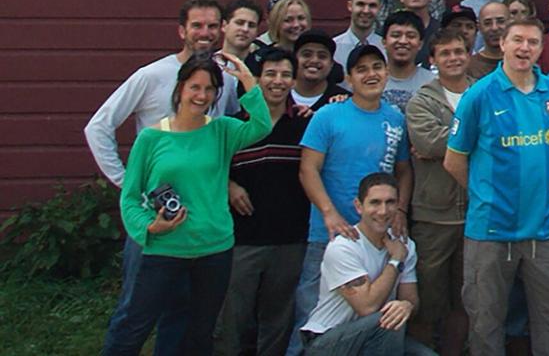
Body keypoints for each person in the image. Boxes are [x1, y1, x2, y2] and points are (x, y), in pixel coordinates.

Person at [91, 0, 236, 352]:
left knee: (184, 317)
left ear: (222, 31)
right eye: (197, 25)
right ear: (182, 31)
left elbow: (225, 139)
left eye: (213, 26)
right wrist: (129, 183)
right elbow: (98, 127)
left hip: (202, 229)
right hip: (156, 222)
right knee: (135, 313)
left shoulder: (226, 82)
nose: (205, 33)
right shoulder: (151, 76)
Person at [104, 51, 271, 356]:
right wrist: (149, 227)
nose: (202, 95)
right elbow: (129, 198)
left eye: (209, 89)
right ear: (180, 88)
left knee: (198, 333)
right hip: (162, 250)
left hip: (213, 250)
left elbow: (261, 126)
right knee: (133, 326)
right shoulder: (151, 138)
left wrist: (248, 80)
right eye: (195, 87)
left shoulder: (222, 131)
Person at [445, 16, 549, 354]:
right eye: (517, 40)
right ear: (502, 44)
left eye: (533, 42)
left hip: (546, 228)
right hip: (491, 230)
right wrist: (485, 197)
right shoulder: (479, 95)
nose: (524, 48)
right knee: (485, 325)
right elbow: (453, 160)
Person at [294, 43, 413, 354]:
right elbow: (308, 169)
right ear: (349, 78)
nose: (370, 74)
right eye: (361, 70)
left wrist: (400, 208)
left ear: (387, 73)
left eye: (376, 67)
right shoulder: (329, 115)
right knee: (312, 316)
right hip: (331, 234)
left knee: (373, 322)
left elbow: (403, 170)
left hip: (377, 236)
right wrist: (329, 213)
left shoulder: (395, 119)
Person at [218, 46, 312, 356]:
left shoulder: (304, 125)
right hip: (241, 240)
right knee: (231, 319)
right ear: (255, 80)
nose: (278, 81)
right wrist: (229, 184)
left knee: (278, 320)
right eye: (270, 74)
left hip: (289, 239)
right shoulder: (232, 126)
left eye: (286, 74)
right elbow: (206, 169)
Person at [295, 172, 433, 355]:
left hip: (377, 336)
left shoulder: (405, 244)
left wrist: (406, 306)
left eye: (390, 202)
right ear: (359, 206)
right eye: (375, 203)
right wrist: (395, 260)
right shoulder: (343, 247)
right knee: (386, 320)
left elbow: (410, 300)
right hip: (327, 341)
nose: (383, 211)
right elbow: (367, 307)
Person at [403, 28, 473, 356]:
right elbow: (425, 142)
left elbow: (501, 139)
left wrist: (448, 144)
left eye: (458, 51)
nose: (453, 58)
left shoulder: (483, 94)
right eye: (445, 54)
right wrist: (476, 138)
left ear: (468, 54)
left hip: (476, 214)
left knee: (466, 300)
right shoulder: (422, 100)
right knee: (427, 301)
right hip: (433, 214)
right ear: (432, 60)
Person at [378, 12, 433, 110]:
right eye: (396, 35)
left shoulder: (432, 83)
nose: (403, 41)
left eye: (411, 36)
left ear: (420, 44)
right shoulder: (370, 80)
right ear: (384, 42)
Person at [334, 0, 387, 66]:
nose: (366, 11)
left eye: (372, 5)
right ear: (350, 6)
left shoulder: (387, 49)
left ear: (379, 8)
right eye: (360, 4)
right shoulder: (334, 48)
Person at [468, 1, 508, 80]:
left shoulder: (521, 62)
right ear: (479, 27)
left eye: (500, 21)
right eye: (487, 23)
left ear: (511, 23)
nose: (494, 28)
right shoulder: (469, 66)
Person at [224, 0, 267, 66]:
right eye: (239, 23)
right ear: (224, 25)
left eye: (251, 25)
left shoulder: (263, 66)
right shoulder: (208, 62)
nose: (245, 29)